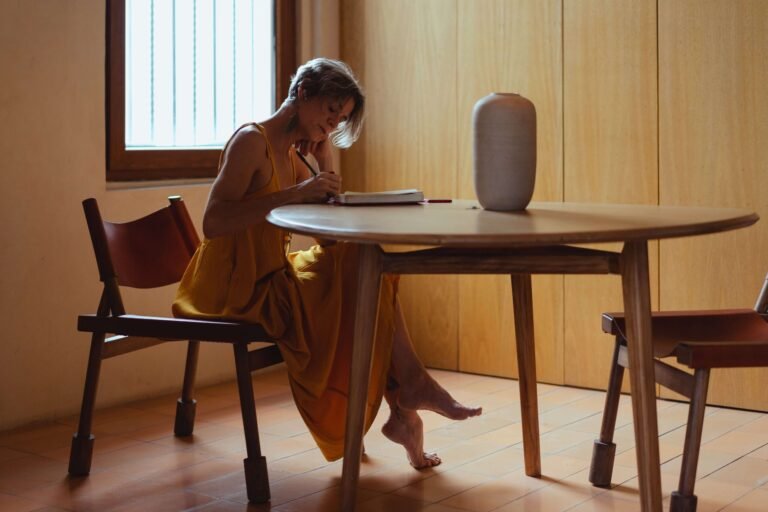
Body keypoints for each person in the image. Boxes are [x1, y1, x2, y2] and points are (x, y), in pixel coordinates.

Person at [173, 58, 481, 468]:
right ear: (303, 94)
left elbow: (330, 240)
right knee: (358, 273)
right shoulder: (252, 140)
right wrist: (295, 193)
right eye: (330, 111)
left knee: (365, 259)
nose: (333, 123)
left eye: (342, 118)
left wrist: (326, 160)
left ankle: (407, 398)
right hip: (231, 288)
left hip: (271, 276)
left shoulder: (298, 155)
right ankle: (408, 397)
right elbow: (213, 222)